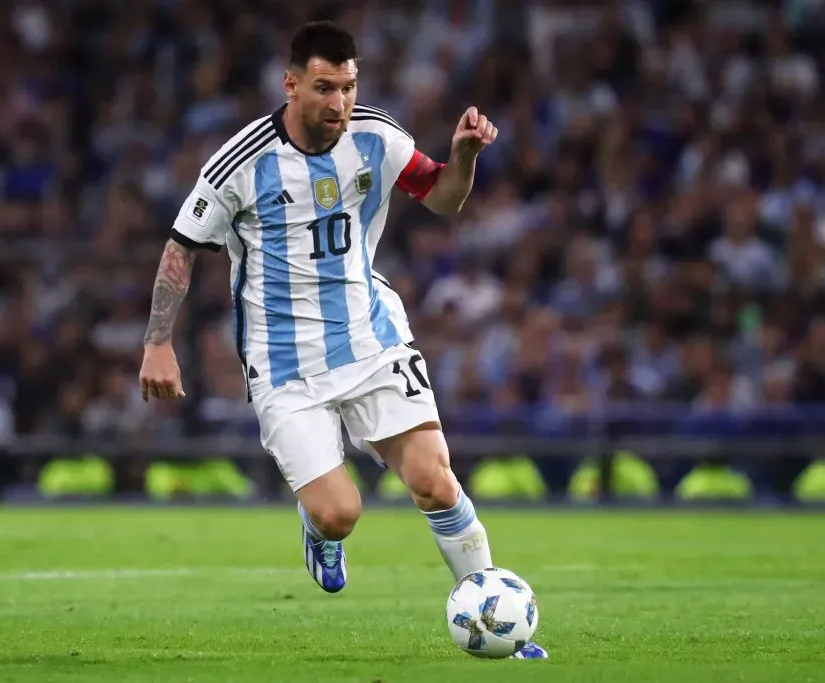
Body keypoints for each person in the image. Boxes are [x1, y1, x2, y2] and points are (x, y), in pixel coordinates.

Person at [138, 21, 547, 659]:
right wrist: (158, 342)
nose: (339, 104)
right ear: (292, 83)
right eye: (325, 88)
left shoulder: (377, 137)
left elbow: (442, 197)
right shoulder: (241, 162)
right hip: (283, 365)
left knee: (435, 481)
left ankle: (494, 613)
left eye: (349, 87)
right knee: (340, 512)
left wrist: (463, 155)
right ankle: (318, 528)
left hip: (371, 337)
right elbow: (180, 248)